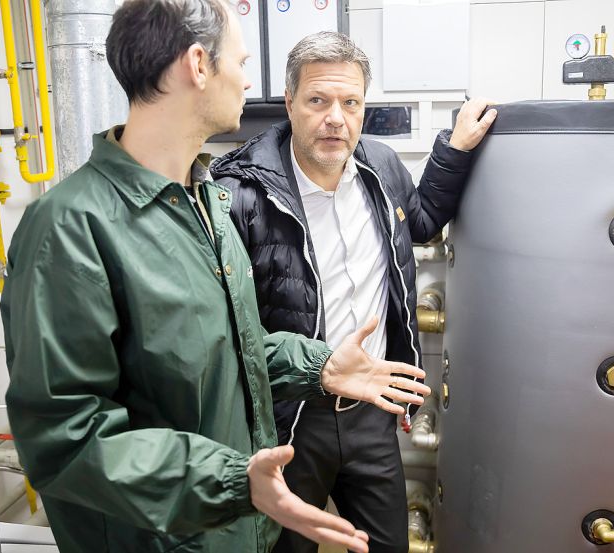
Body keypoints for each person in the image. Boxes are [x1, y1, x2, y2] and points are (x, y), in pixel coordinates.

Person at [0, 4, 430, 553]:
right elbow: (65, 438)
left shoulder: (206, 206)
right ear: (200, 64)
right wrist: (230, 481)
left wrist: (318, 365)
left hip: (232, 533)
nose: (249, 80)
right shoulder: (70, 226)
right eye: (242, 61)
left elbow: (234, 357)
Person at [211, 31, 496, 553]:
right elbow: (224, 330)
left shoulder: (380, 166)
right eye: (318, 100)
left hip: (370, 413)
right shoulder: (238, 193)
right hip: (291, 420)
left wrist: (455, 149)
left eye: (350, 102)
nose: (335, 118)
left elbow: (423, 219)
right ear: (290, 103)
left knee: (387, 544)